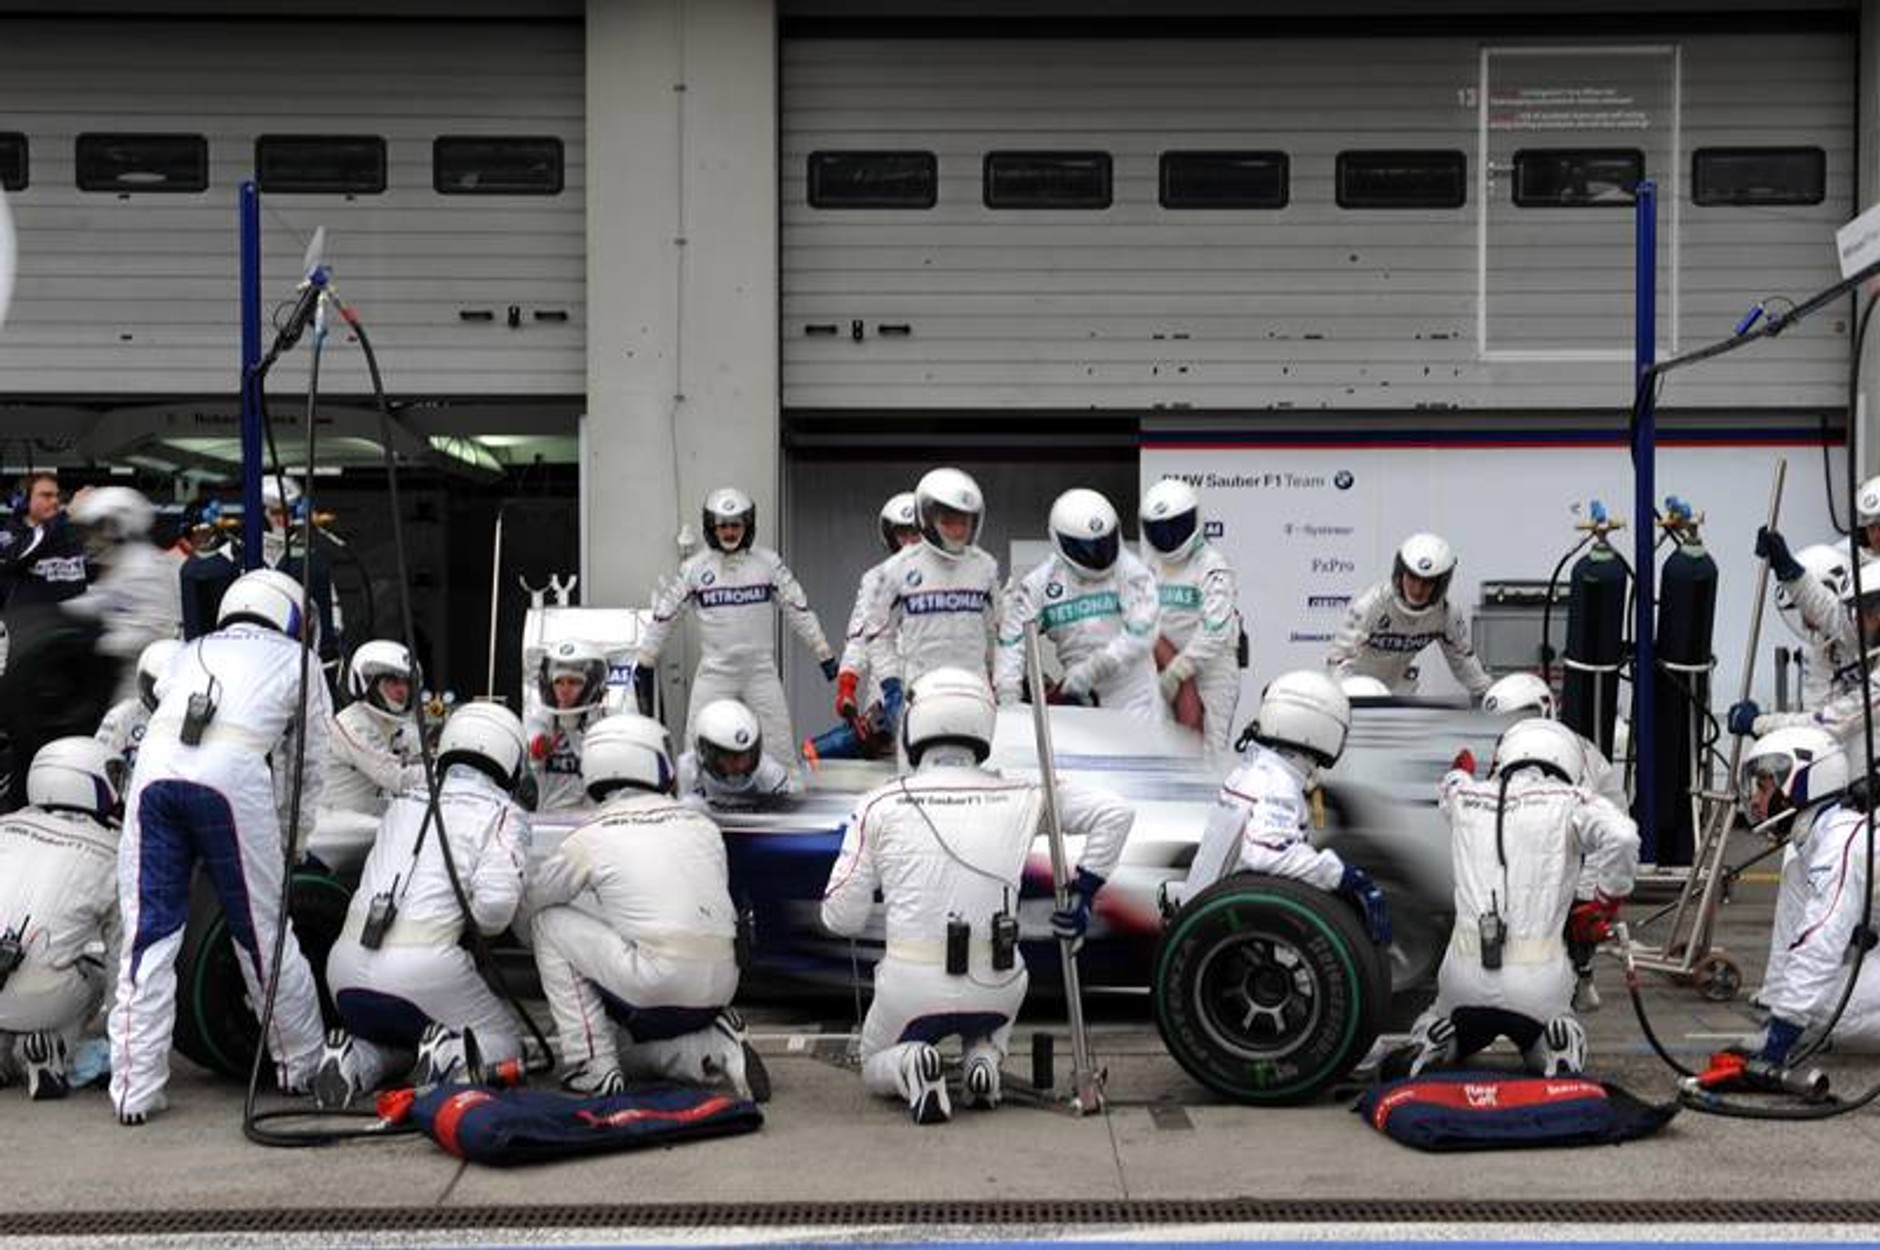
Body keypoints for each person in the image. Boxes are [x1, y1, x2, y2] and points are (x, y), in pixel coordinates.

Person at [821, 667, 1133, 1125]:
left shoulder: (878, 804)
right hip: (999, 989)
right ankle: (984, 1059)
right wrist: (1082, 896)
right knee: (993, 998)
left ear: (914, 724)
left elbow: (841, 918)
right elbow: (1116, 813)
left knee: (872, 1062)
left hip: (912, 990)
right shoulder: (1024, 792)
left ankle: (912, 1066)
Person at [108, 568, 330, 1125]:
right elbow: (307, 765)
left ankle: (134, 1088)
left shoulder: (189, 650)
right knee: (260, 931)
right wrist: (290, 840)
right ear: (292, 616)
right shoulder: (297, 660)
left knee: (148, 933)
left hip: (156, 776)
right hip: (231, 782)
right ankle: (300, 1063)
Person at [527, 714, 763, 1100]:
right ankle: (711, 1048)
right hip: (723, 982)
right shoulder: (701, 825)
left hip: (657, 983)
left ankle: (592, 1064)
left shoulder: (591, 836)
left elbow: (534, 900)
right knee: (627, 1049)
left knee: (547, 922)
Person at [1394, 717, 1638, 1079]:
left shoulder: (1465, 795)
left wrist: (1460, 771)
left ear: (1503, 758)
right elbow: (1623, 837)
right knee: (1552, 1019)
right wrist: (1605, 900)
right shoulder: (1574, 800)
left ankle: (1434, 1038)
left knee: (1443, 1014)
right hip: (1538, 988)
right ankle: (1559, 1045)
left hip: (1462, 983)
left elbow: (1451, 783)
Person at [315, 702, 532, 1107]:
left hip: (344, 972)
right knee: (505, 1042)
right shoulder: (501, 814)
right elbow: (494, 912)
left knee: (402, 1040)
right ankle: (450, 1058)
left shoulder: (403, 804)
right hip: (424, 969)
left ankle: (355, 1061)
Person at [1166, 670, 1389, 945]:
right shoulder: (1277, 781)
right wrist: (1344, 876)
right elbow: (1264, 854)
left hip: (1211, 915)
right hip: (1219, 929)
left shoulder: (1261, 770)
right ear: (1317, 726)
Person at [636, 487, 837, 778]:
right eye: (723, 526)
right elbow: (664, 616)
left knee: (780, 748)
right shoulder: (694, 570)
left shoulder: (768, 564)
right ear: (711, 528)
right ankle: (689, 803)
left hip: (760, 671)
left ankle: (785, 799)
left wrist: (823, 652)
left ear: (748, 526)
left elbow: (798, 609)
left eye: (736, 525)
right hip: (715, 672)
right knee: (695, 745)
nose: (730, 532)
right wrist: (646, 659)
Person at [1480, 670, 1624, 1011]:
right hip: (1550, 838)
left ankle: (1579, 975)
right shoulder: (1513, 748)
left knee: (1572, 911)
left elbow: (1594, 833)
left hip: (1592, 845)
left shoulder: (1570, 753)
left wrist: (1585, 896)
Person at [1737, 725, 1880, 1064]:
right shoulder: (1813, 840)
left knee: (1820, 1010)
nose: (1755, 799)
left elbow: (1821, 938)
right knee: (1805, 999)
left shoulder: (1840, 843)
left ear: (1799, 784)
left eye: (1762, 786)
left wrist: (1780, 1039)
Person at [0, 738, 125, 1101]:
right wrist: (124, 1046)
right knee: (96, 962)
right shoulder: (113, 850)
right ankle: (51, 1051)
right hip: (41, 997)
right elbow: (122, 957)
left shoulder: (6, 825)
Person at [995, 488, 1164, 722]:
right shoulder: (1039, 584)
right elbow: (1012, 641)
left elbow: (1141, 633)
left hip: (1136, 702)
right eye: (1086, 548)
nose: (1097, 554)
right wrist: (1009, 700)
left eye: (1103, 544)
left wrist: (1091, 670)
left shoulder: (1133, 572)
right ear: (1059, 541)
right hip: (1080, 707)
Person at [1729, 543, 1880, 756]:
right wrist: (1789, 572)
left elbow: (1834, 722)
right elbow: (1832, 614)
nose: (1857, 622)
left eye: (1865, 614)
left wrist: (1760, 724)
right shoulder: (1861, 630)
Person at [1139, 478, 1244, 756]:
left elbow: (1215, 629)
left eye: (1174, 527)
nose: (1167, 537)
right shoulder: (1151, 568)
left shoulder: (1212, 566)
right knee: (1163, 748)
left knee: (1208, 751)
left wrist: (1179, 669)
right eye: (1158, 531)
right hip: (1163, 670)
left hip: (1210, 671)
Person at [815, 491, 922, 761]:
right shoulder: (876, 578)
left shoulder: (947, 575)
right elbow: (859, 635)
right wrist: (847, 686)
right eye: (903, 533)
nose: (910, 541)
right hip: (885, 684)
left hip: (930, 679)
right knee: (885, 764)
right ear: (890, 536)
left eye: (916, 533)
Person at [1326, 532, 1492, 700]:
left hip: (1398, 692)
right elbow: (1338, 660)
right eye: (1412, 578)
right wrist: (1348, 697)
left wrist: (1489, 695)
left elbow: (1463, 661)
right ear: (1400, 574)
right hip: (1357, 692)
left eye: (1428, 582)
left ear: (1441, 583)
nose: (1418, 589)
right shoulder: (1371, 605)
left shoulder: (1446, 613)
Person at [65, 487, 183, 709]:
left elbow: (155, 630)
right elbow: (100, 601)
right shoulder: (122, 563)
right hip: (125, 673)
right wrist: (56, 613)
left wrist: (97, 642)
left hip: (149, 678)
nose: (91, 538)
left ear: (116, 525)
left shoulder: (145, 566)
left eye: (96, 529)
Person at [319, 640, 425, 843]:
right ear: (369, 684)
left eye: (405, 683)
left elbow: (418, 762)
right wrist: (446, 774)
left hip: (363, 816)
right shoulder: (352, 724)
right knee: (408, 831)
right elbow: (397, 778)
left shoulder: (396, 727)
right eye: (392, 682)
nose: (401, 690)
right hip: (332, 823)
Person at [523, 638, 608, 813]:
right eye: (559, 682)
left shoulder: (603, 726)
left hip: (589, 820)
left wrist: (575, 731)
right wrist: (540, 747)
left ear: (591, 686)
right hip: (547, 819)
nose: (564, 689)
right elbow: (533, 750)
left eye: (574, 682)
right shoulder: (542, 720)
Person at [678, 698, 798, 812]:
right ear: (704, 751)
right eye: (729, 758)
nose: (740, 766)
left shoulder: (770, 774)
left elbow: (791, 820)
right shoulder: (687, 770)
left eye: (746, 756)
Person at [0, 471, 88, 609]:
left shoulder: (69, 530)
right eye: (46, 495)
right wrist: (65, 514)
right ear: (23, 500)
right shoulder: (8, 534)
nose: (55, 501)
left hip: (74, 623)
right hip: (28, 624)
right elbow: (19, 555)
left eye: (56, 495)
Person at [94, 638, 182, 773]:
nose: (160, 695)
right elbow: (99, 763)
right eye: (155, 687)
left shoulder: (196, 721)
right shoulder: (123, 716)